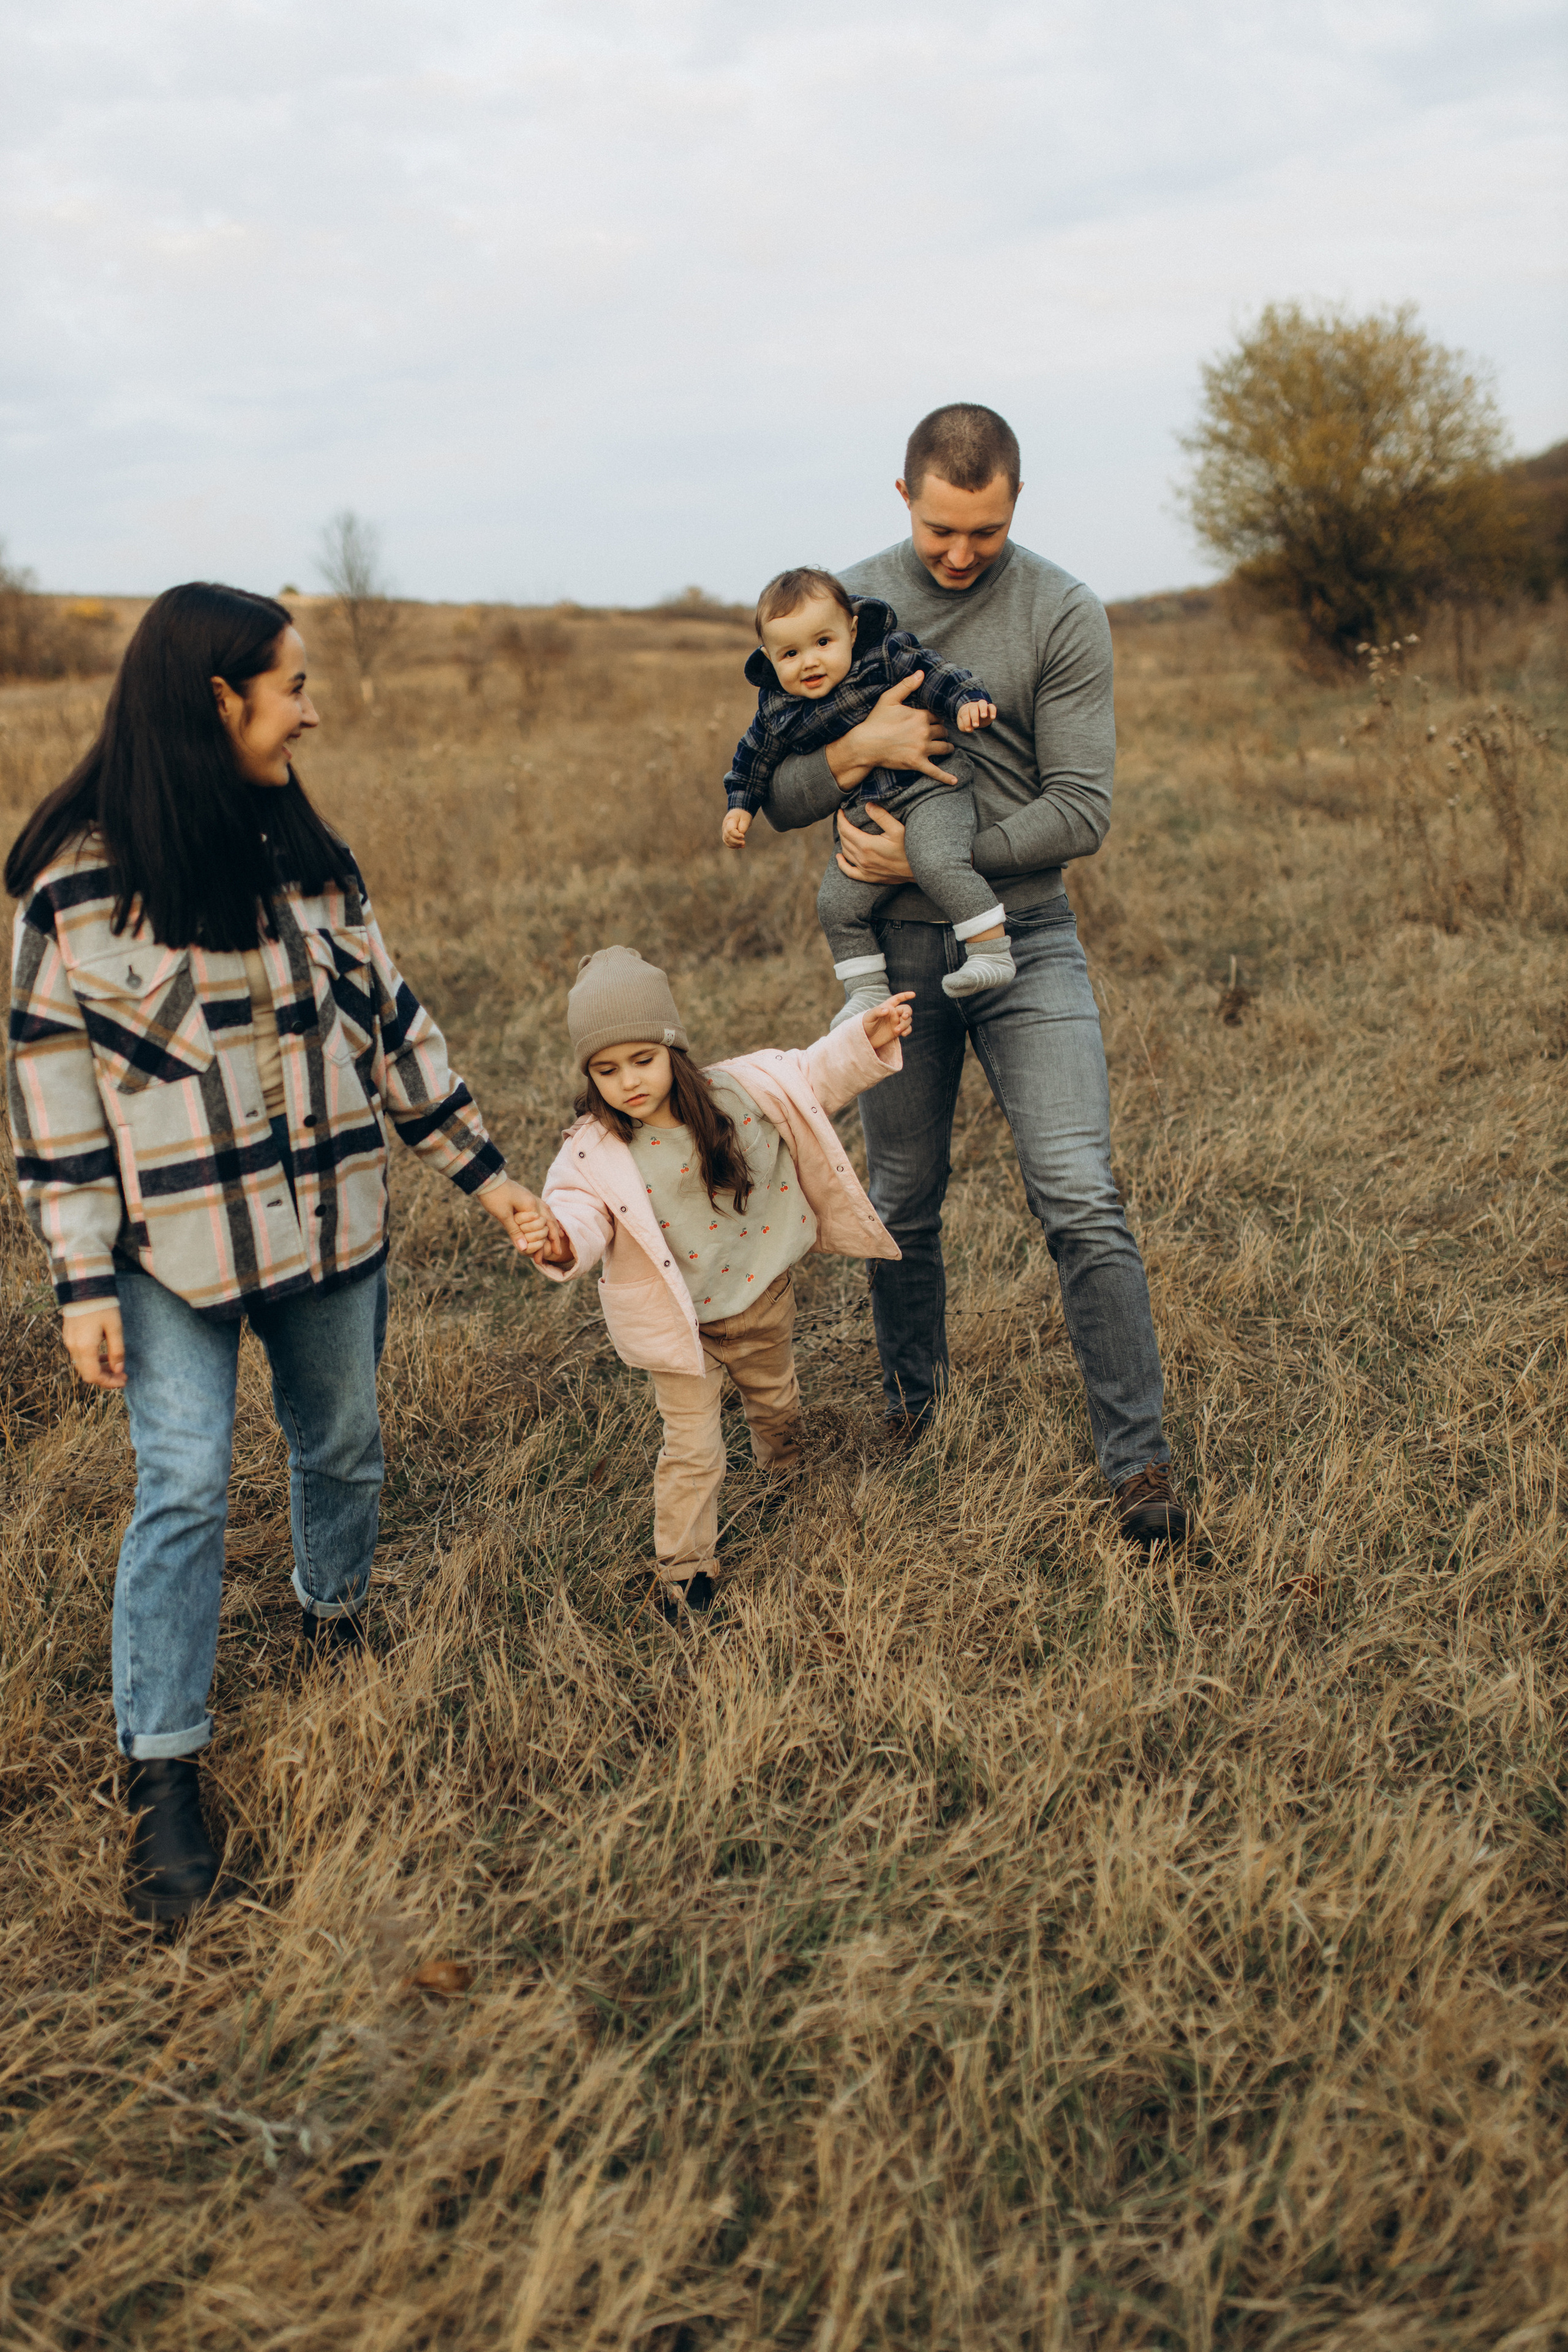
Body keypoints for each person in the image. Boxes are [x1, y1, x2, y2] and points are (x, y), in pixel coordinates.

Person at [4, 582, 546, 1921]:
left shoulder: (311, 863)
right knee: (183, 1486)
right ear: (216, 698)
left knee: (342, 1445)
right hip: (165, 1253)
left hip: (329, 1232)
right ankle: (162, 1774)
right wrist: (81, 1280)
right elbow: (52, 1104)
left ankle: (332, 1620)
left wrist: (489, 1182)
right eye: (291, 685)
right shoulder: (71, 884)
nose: (313, 707)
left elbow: (396, 1030)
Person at [755, 402, 1189, 1547]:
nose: (959, 553)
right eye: (942, 530)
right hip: (894, 954)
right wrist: (862, 750)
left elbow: (1084, 807)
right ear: (905, 500)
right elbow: (783, 789)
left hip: (1028, 937)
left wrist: (940, 855)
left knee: (1080, 1196)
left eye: (983, 532)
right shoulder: (836, 609)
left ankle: (1138, 1465)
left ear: (1015, 504)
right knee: (902, 1197)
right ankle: (914, 1412)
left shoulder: (1063, 610)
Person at [514, 945, 913, 1616]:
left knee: (775, 1399)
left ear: (673, 1047)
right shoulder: (591, 1150)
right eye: (606, 1070)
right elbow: (579, 1212)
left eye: (643, 1060)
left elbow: (815, 1073)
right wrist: (558, 1237)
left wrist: (863, 1041)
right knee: (691, 1450)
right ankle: (685, 1572)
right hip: (679, 1328)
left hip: (760, 1298)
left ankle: (786, 1471)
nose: (628, 1083)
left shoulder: (743, 1090)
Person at [720, 568, 1012, 1025]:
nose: (810, 662)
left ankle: (991, 952)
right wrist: (740, 805)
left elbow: (935, 674)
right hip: (865, 813)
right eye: (790, 653)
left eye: (823, 643)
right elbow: (752, 760)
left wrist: (965, 700)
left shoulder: (884, 657)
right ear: (769, 658)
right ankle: (867, 991)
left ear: (851, 631)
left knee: (937, 860)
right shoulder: (776, 707)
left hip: (931, 789)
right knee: (835, 905)